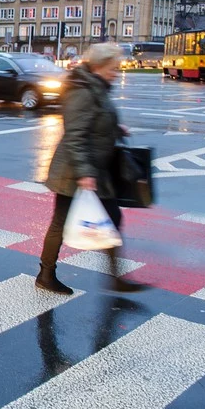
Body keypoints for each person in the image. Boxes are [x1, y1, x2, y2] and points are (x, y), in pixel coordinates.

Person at [38, 42, 148, 295]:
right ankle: (46, 274)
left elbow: (96, 119)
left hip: (97, 169)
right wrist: (85, 173)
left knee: (112, 219)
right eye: (113, 68)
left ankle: (115, 277)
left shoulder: (96, 86)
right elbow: (76, 135)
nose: (116, 73)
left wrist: (116, 129)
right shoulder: (82, 90)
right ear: (99, 66)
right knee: (60, 224)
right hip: (76, 170)